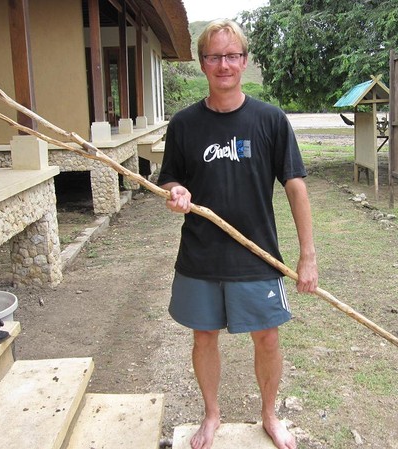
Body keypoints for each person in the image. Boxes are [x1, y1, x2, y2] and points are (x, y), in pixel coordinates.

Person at [157, 19, 318, 449]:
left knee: (267, 336)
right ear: (202, 63)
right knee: (203, 335)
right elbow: (169, 179)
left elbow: (295, 185)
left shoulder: (269, 119)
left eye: (231, 56)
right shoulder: (185, 124)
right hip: (200, 254)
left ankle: (269, 414)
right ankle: (212, 415)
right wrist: (175, 192)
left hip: (258, 254)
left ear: (244, 61)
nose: (223, 64)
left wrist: (308, 256)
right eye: (214, 56)